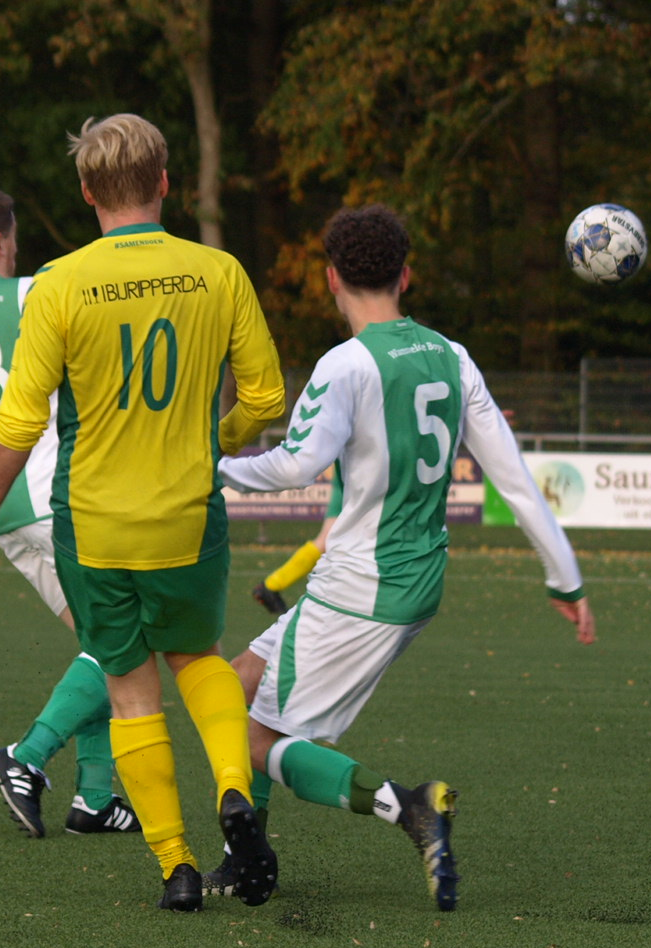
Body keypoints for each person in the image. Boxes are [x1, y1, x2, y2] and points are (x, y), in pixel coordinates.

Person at [211, 204, 595, 912]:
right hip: (414, 581)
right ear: (406, 275)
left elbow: (296, 466)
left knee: (253, 733)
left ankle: (408, 807)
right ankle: (247, 857)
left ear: (330, 278)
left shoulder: (346, 364)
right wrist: (564, 577)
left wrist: (214, 468)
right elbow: (513, 477)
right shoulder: (451, 356)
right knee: (233, 685)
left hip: (361, 585)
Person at [0, 114, 288, 910]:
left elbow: (19, 423)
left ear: (88, 191)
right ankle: (233, 793)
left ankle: (174, 867)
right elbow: (267, 397)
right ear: (166, 183)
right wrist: (217, 441)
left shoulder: (62, 283)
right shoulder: (220, 271)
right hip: (186, 516)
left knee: (130, 692)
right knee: (201, 659)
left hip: (94, 527)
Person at [0, 188, 139, 839]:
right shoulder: (37, 292)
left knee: (98, 648)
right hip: (73, 492)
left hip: (11, 513)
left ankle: (95, 799)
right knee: (130, 642)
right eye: (12, 237)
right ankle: (26, 755)